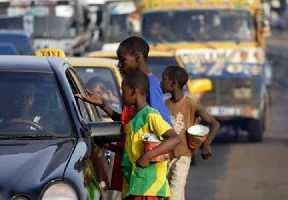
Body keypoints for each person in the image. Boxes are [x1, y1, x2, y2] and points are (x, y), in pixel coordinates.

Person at [75, 36, 173, 199]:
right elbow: (133, 123)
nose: (120, 65)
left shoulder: (150, 88)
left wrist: (148, 155)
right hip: (136, 178)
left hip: (147, 181)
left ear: (137, 57)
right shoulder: (139, 100)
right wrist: (103, 105)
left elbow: (162, 129)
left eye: (122, 60)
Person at [107, 71, 180, 199]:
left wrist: (148, 156)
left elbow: (175, 138)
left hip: (148, 187)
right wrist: (108, 146)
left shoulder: (151, 115)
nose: (121, 95)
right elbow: (131, 152)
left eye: (123, 91)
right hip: (135, 184)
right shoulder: (134, 118)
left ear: (133, 91)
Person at [160, 66, 220, 200]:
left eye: (164, 79)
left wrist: (206, 144)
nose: (161, 82)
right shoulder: (163, 105)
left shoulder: (191, 104)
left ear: (173, 83)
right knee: (165, 193)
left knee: (175, 191)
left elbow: (215, 124)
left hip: (183, 156)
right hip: (165, 155)